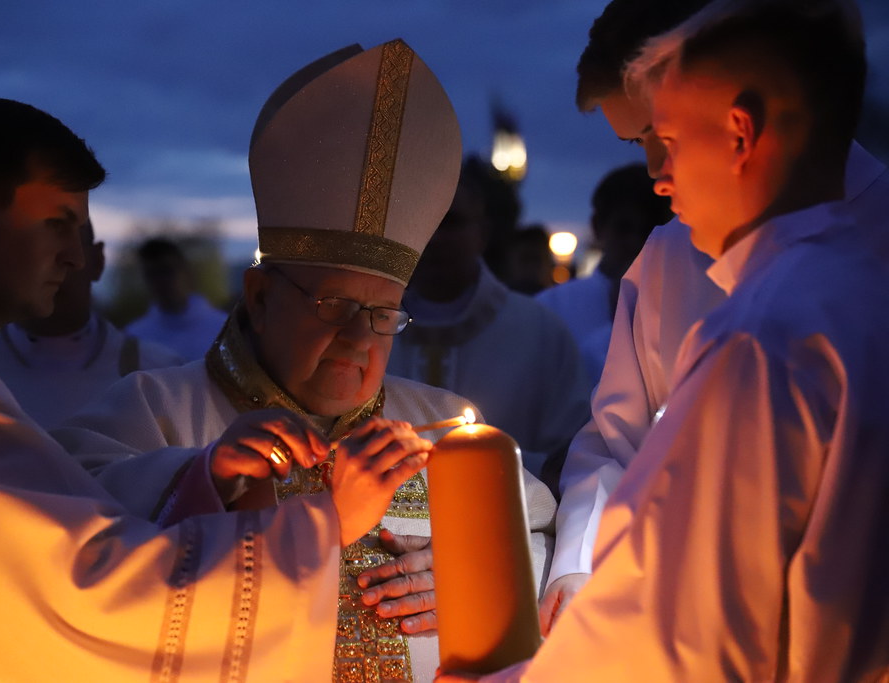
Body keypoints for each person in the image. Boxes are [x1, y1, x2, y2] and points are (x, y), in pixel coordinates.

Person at [0, 97, 425, 682]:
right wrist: (326, 522)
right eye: (57, 223)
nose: (77, 257)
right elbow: (83, 592)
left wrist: (202, 478)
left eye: (384, 313)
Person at [55, 41, 558, 683]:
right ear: (261, 297)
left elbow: (539, 540)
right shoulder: (153, 410)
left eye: (383, 314)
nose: (359, 338)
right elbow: (70, 537)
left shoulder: (442, 426)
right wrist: (209, 481)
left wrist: (473, 574)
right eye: (334, 303)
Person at [442, 0, 889, 679]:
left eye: (668, 136)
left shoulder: (759, 337)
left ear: (739, 130)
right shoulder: (830, 286)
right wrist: (581, 570)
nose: (658, 173)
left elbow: (689, 636)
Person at [386, 157, 591, 492]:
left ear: (482, 232)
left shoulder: (539, 331)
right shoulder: (372, 325)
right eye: (423, 222)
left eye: (450, 222)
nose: (435, 238)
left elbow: (569, 455)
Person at [0, 220, 183, 428]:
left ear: (97, 261)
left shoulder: (160, 374)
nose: (48, 266)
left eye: (65, 247)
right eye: (30, 249)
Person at [535, 163, 672, 383]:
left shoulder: (685, 304)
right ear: (598, 227)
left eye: (649, 230)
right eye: (624, 229)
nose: (637, 242)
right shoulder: (550, 309)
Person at [125, 236, 227, 361]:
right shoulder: (134, 338)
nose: (160, 281)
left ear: (186, 272)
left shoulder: (223, 330)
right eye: (152, 274)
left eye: (166, 270)